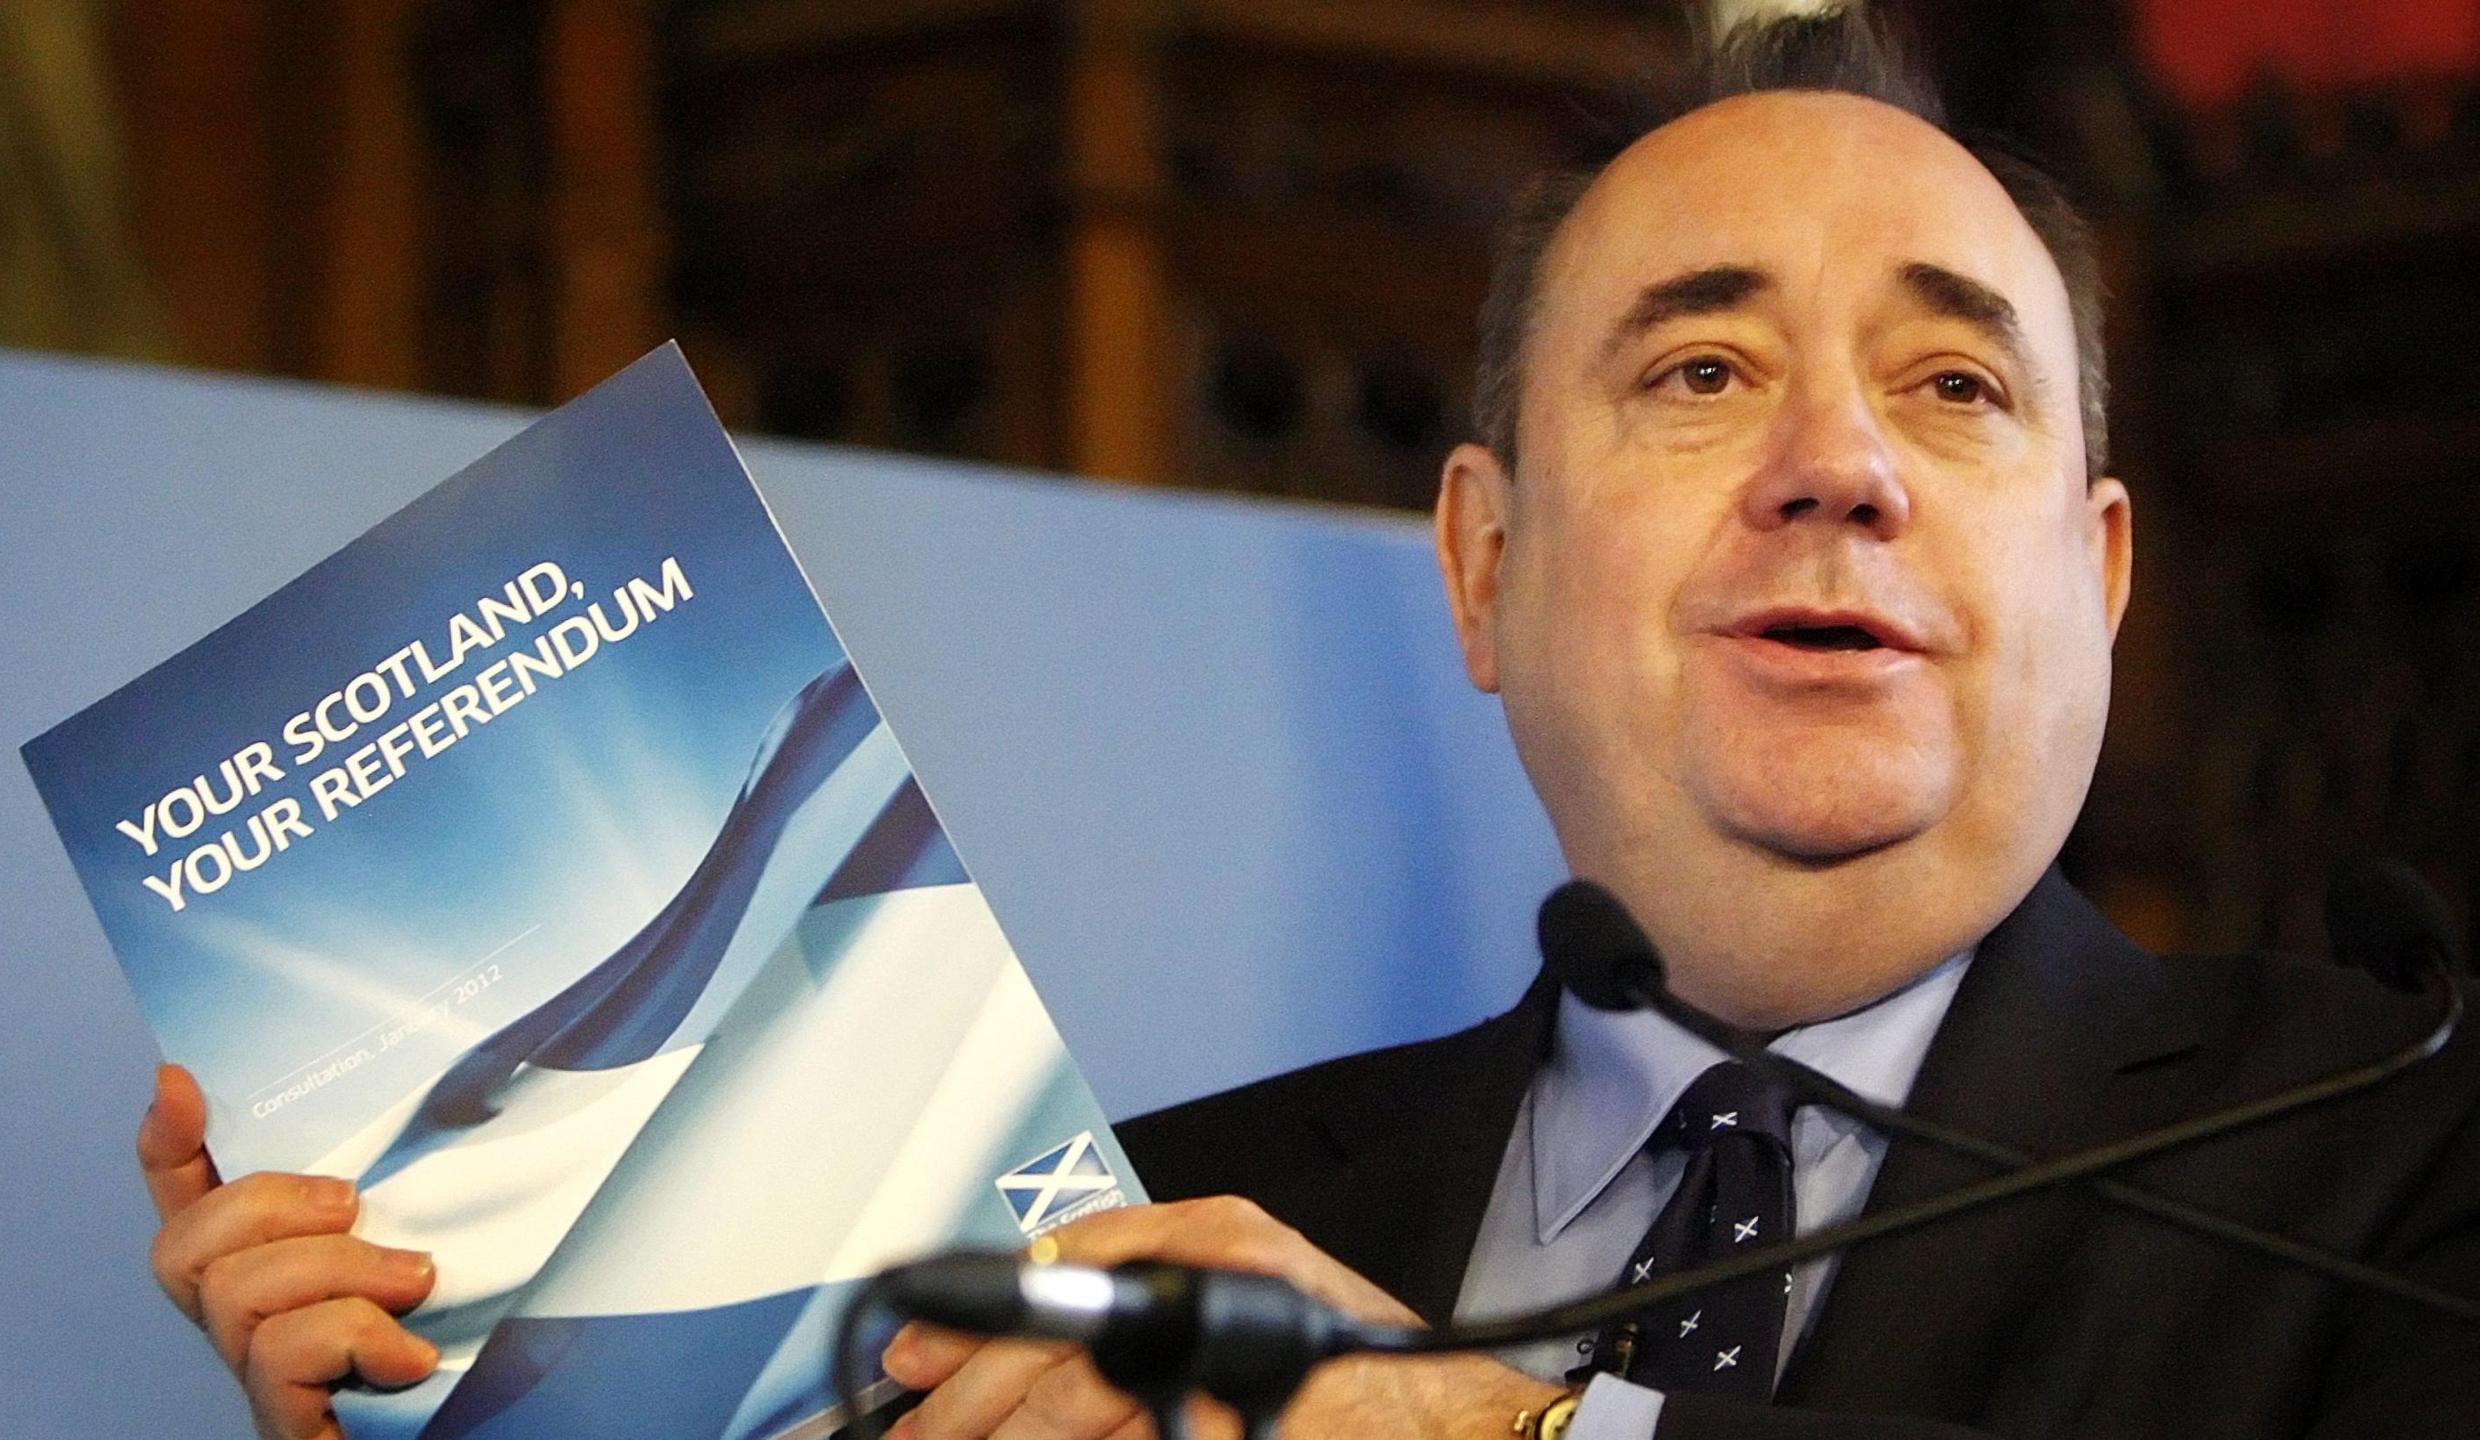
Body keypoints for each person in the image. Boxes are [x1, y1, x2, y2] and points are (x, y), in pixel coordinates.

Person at [135, 13, 2480, 1440]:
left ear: (2098, 575)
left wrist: (1494, 1425)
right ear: (1478, 565)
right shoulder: (1109, 1216)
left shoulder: (2396, 1172)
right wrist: (458, 1409)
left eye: (1950, 383)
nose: (1833, 463)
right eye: (1693, 368)